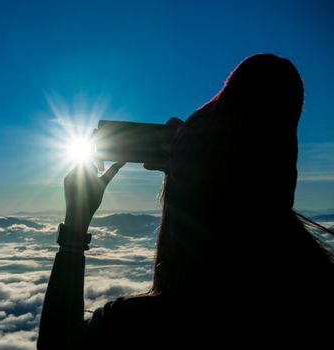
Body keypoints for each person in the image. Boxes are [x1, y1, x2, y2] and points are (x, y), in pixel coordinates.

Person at [37, 54, 334, 349]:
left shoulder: (141, 328)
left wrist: (75, 229)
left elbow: (56, 346)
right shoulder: (315, 297)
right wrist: (192, 159)